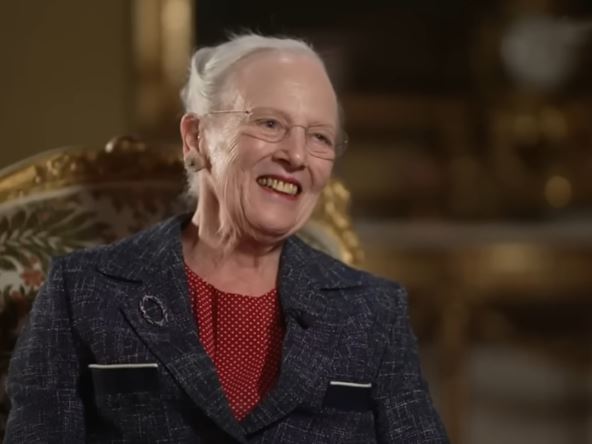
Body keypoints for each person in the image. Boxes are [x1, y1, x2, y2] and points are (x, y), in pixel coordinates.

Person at [5, 33, 448, 443]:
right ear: (196, 137)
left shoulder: (374, 311)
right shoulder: (82, 291)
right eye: (270, 124)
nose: (296, 155)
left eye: (319, 137)